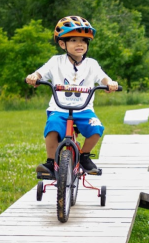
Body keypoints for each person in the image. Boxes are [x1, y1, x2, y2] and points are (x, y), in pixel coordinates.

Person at [26, 16, 119, 177]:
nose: (80, 44)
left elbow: (103, 78)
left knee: (96, 127)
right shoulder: (56, 62)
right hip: (59, 108)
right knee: (52, 127)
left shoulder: (91, 64)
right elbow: (40, 72)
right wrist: (34, 77)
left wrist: (111, 83)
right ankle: (50, 162)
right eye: (74, 40)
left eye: (83, 40)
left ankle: (84, 156)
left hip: (84, 110)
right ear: (63, 44)